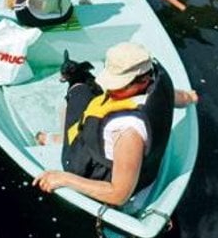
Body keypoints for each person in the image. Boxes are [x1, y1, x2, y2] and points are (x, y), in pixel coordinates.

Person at [32, 42, 198, 206]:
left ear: (143, 80)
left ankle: (62, 140)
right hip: (128, 158)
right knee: (90, 89)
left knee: (78, 88)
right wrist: (189, 97)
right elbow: (175, 96)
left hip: (92, 168)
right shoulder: (157, 83)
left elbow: (118, 195)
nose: (110, 90)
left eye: (119, 85)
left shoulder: (128, 133)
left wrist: (63, 178)